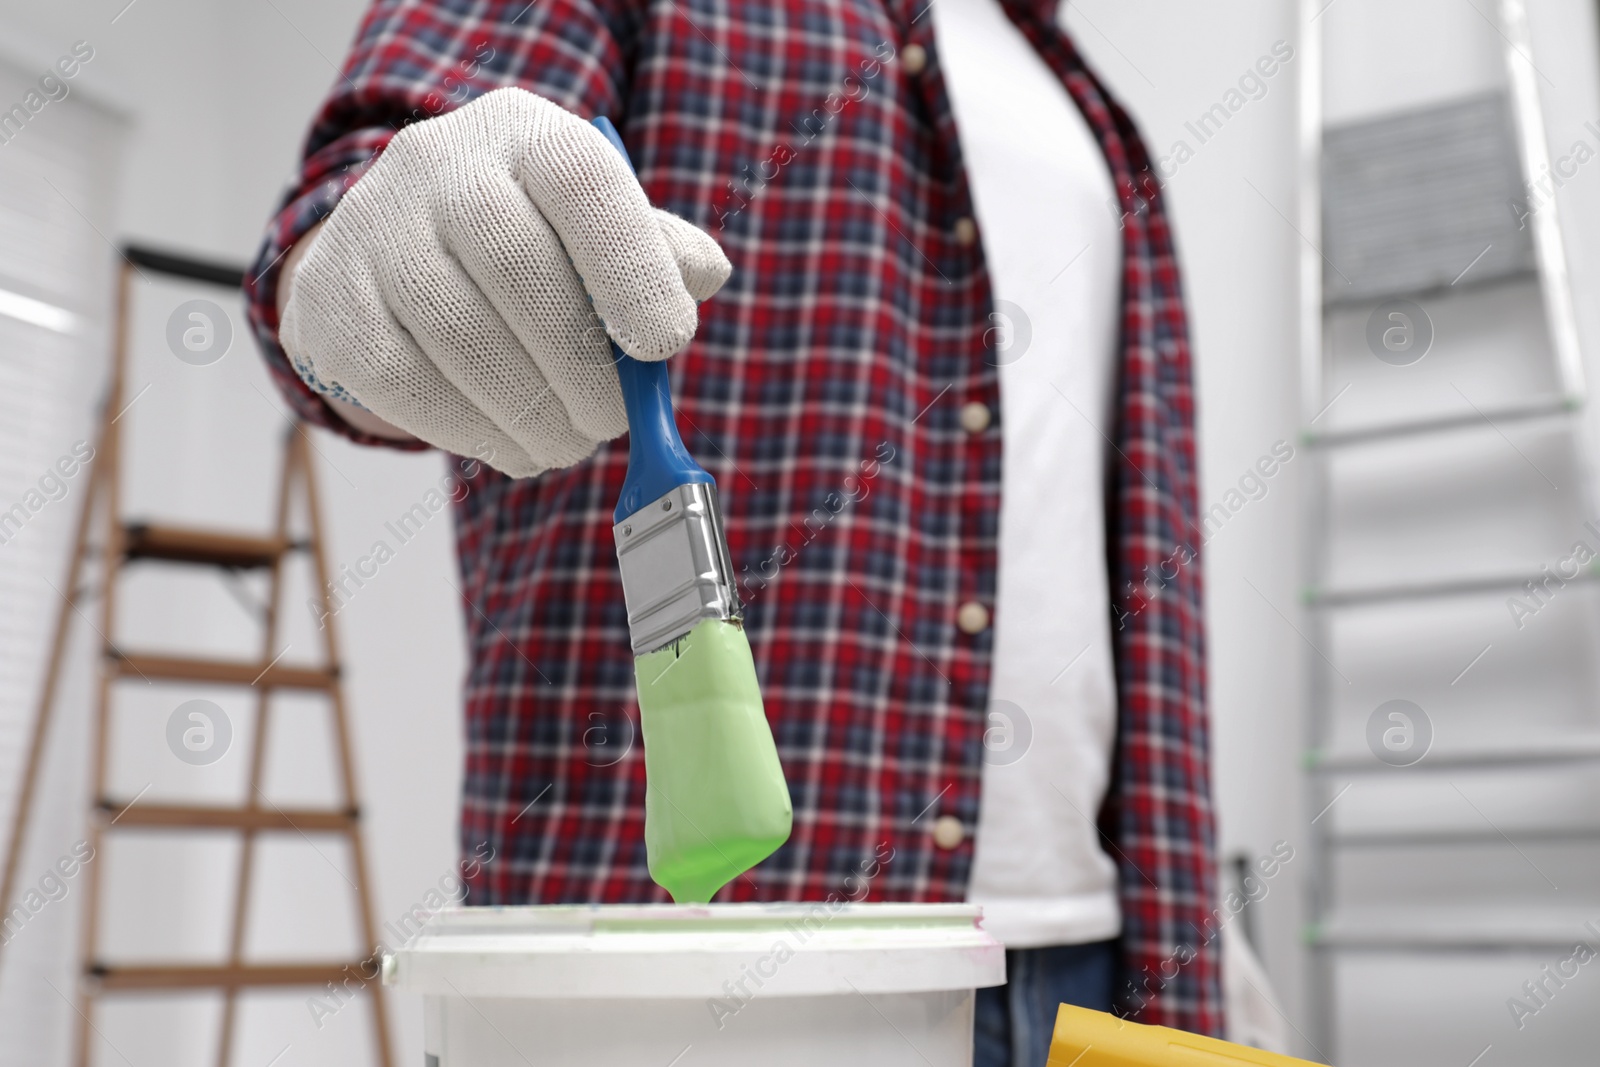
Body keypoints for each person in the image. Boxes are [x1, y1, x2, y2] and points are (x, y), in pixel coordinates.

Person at [245, 0, 1223, 1061]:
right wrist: (360, 268)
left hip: (1092, 965)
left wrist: (1192, 932)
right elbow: (352, 214)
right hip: (677, 991)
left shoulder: (1071, 84)